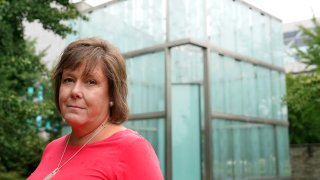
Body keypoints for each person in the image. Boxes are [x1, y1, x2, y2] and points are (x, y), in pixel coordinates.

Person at [28, 37, 163, 180]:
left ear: (112, 93)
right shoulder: (53, 148)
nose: (75, 91)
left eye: (91, 82)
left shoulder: (132, 149)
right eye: (69, 80)